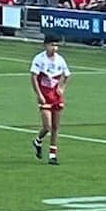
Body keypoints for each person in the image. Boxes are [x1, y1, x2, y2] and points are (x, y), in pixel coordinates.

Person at [30, 33, 70, 165]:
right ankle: (38, 140)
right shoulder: (39, 59)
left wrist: (62, 87)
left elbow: (67, 75)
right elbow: (34, 77)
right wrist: (39, 94)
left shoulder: (60, 60)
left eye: (56, 45)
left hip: (56, 96)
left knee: (55, 127)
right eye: (52, 45)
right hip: (45, 96)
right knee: (47, 126)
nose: (55, 48)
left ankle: (53, 155)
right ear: (46, 45)